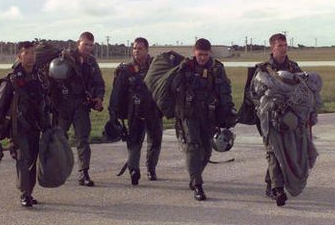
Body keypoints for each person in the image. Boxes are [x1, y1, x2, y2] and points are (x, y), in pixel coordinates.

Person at [250, 33, 322, 206]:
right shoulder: (262, 70)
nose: (284, 48)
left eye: (285, 44)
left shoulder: (294, 68)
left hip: (292, 119)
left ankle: (271, 183)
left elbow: (305, 92)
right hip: (270, 118)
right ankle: (278, 189)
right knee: (274, 151)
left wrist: (309, 113)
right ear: (272, 47)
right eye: (280, 45)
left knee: (288, 151)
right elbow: (254, 94)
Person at [173, 38, 236, 201]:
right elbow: (173, 88)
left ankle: (195, 175)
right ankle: (197, 185)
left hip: (209, 114)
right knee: (193, 146)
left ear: (210, 54)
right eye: (200, 54)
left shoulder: (217, 69)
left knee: (207, 150)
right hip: (189, 113)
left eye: (205, 55)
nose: (202, 58)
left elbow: (224, 91)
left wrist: (228, 111)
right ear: (194, 52)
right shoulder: (185, 67)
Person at [0, 41, 51, 207]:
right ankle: (24, 193)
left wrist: (49, 125)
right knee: (23, 159)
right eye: (27, 53)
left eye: (33, 53)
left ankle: (29, 191)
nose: (30, 57)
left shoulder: (40, 77)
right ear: (19, 56)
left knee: (33, 160)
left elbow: (46, 102)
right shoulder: (11, 80)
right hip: (18, 128)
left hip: (36, 126)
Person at [50, 32, 105, 187]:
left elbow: (99, 83)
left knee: (83, 139)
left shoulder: (91, 62)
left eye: (91, 45)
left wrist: (99, 98)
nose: (88, 48)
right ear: (78, 43)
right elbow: (53, 81)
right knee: (59, 139)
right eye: (85, 44)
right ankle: (56, 171)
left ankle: (84, 173)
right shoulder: (66, 59)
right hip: (63, 105)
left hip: (81, 105)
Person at [108, 37, 163, 185]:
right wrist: (113, 114)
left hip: (153, 110)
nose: (136, 51)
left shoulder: (156, 67)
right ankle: (134, 170)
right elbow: (117, 93)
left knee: (155, 141)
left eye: (140, 48)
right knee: (134, 143)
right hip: (135, 112)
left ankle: (151, 169)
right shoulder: (126, 70)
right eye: (134, 48)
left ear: (147, 50)